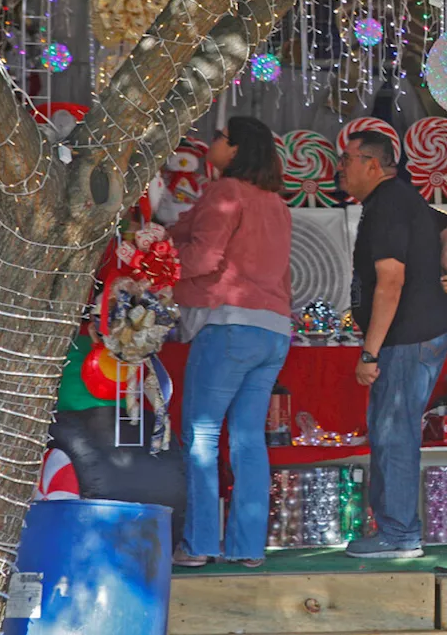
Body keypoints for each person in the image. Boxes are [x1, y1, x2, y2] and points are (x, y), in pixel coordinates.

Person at [169, 117, 293, 568]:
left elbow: (202, 256)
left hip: (229, 325)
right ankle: (247, 548)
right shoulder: (277, 203)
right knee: (247, 441)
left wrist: (156, 265)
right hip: (274, 330)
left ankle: (200, 545)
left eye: (219, 138)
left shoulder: (227, 193)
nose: (212, 143)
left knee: (201, 436)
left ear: (235, 149)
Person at [338, 129, 447, 558]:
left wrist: (370, 352)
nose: (341, 169)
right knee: (394, 429)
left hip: (407, 336)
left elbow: (390, 284)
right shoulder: (399, 199)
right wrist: (442, 262)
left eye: (347, 160)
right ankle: (395, 529)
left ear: (373, 164)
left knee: (394, 432)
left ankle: (399, 533)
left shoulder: (389, 205)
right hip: (420, 332)